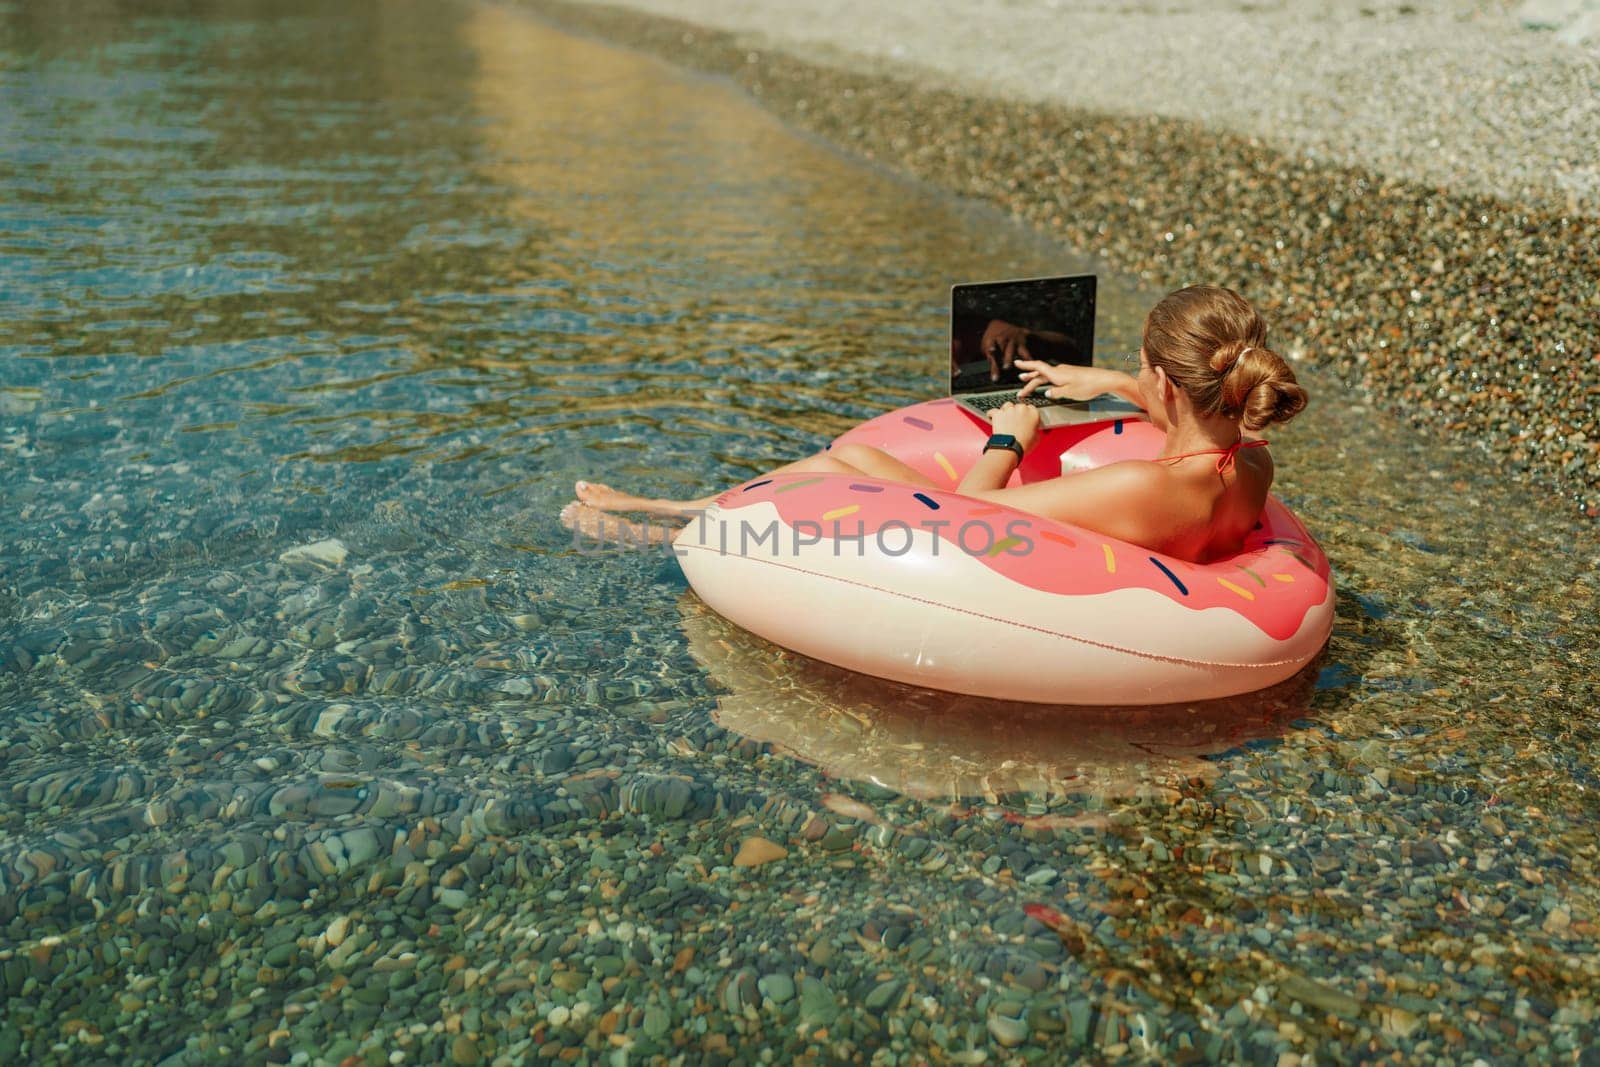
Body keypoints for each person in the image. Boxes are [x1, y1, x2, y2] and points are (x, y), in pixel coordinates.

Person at [562, 285, 1308, 564]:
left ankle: (675, 521)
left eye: (1139, 368)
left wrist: (1009, 439)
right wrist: (1113, 382)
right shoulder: (1252, 464)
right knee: (851, 464)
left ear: (1166, 384)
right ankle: (682, 515)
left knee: (839, 463)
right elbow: (1197, 425)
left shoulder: (1140, 486)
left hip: (999, 559)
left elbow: (968, 513)